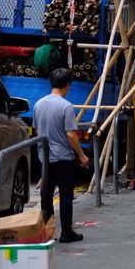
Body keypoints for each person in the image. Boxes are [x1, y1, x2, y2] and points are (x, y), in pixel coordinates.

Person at [33, 68, 90, 243]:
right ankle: (66, 232)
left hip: (45, 156)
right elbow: (71, 135)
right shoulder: (66, 106)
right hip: (63, 158)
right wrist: (81, 155)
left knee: (46, 195)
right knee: (65, 195)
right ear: (68, 85)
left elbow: (36, 129)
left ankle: (46, 231)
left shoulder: (38, 104)